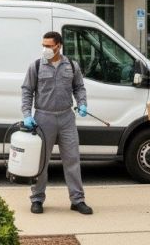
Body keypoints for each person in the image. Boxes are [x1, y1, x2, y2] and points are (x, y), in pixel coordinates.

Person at [21, 31, 93, 216]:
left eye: (49, 46)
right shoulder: (36, 66)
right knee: (41, 162)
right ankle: (37, 199)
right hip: (43, 118)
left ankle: (77, 200)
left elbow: (79, 87)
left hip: (66, 118)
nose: (45, 49)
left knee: (72, 160)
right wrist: (27, 114)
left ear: (58, 46)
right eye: (43, 45)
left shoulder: (71, 65)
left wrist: (82, 103)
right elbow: (27, 91)